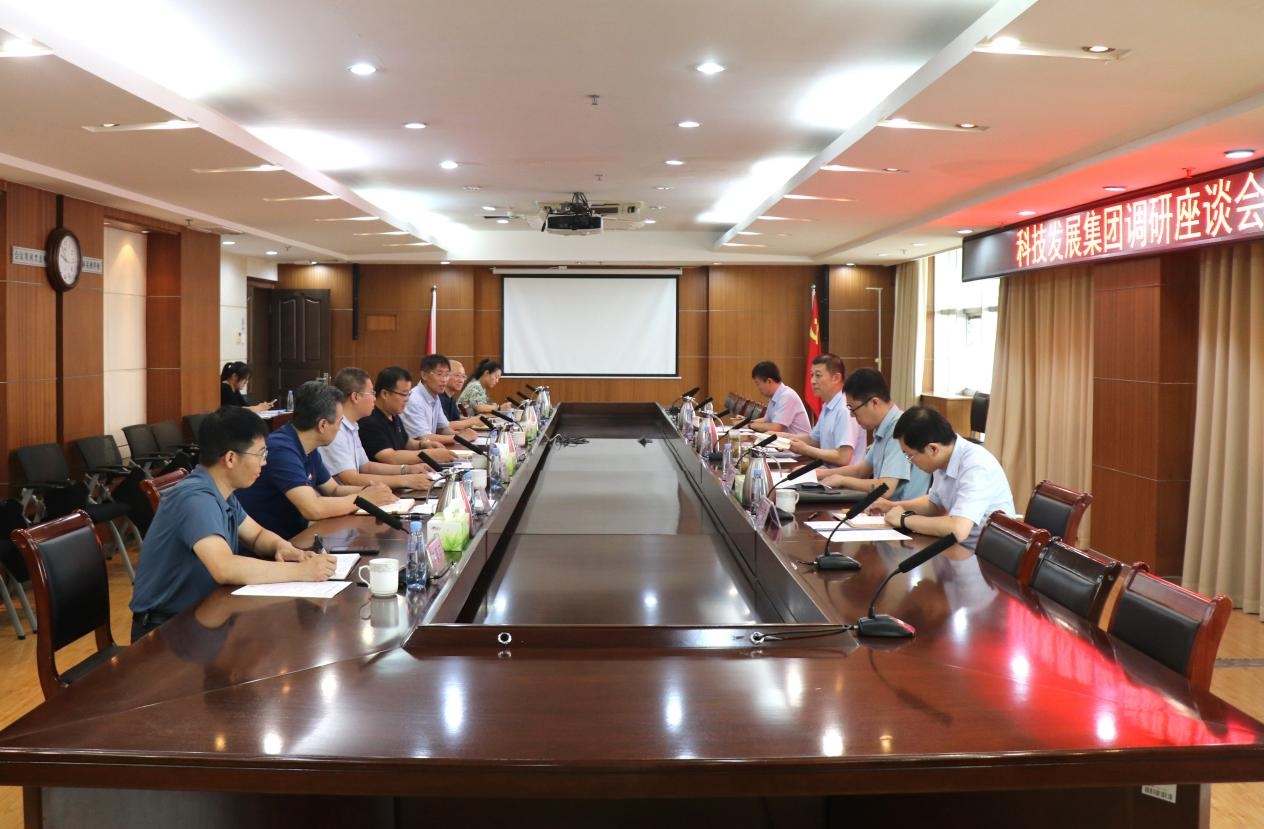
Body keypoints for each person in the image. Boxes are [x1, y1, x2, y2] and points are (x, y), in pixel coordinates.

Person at [129, 406, 337, 641]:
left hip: (204, 615)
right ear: (230, 458)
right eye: (260, 454)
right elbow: (224, 567)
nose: (264, 463)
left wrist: (284, 548)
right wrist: (301, 572)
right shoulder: (196, 499)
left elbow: (257, 536)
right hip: (165, 631)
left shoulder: (221, 491)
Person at [236, 381, 395, 539]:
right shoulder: (281, 449)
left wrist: (369, 491)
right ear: (323, 425)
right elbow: (312, 509)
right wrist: (363, 499)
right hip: (268, 544)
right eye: (340, 422)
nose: (340, 428)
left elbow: (333, 490)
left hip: (293, 537)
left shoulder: (308, 446)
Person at [868, 405, 1015, 551]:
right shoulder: (942, 459)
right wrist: (891, 506)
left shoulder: (976, 466)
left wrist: (904, 519)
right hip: (959, 549)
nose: (910, 462)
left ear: (933, 449)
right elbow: (935, 505)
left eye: (910, 456)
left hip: (984, 556)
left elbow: (958, 530)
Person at [818, 368, 930, 499]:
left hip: (902, 509)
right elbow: (860, 470)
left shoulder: (899, 429)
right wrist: (820, 474)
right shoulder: (883, 427)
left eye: (853, 409)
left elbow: (886, 488)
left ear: (874, 403)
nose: (852, 415)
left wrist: (843, 481)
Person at [318, 367, 435, 491]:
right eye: (371, 393)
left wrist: (407, 469)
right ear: (355, 397)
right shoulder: (336, 429)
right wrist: (404, 480)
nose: (374, 398)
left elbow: (366, 466)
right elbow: (350, 479)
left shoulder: (353, 425)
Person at [360, 366, 455, 465]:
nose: (407, 399)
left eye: (408, 394)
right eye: (404, 394)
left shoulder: (393, 414)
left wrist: (423, 444)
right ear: (385, 394)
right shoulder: (369, 420)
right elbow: (390, 457)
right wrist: (430, 455)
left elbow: (405, 442)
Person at [786, 354, 866, 468]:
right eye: (811, 375)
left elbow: (843, 457)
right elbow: (813, 440)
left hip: (844, 477)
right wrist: (778, 438)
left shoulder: (844, 409)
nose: (812, 381)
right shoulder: (828, 405)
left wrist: (805, 449)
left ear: (836, 378)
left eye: (818, 375)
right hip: (827, 471)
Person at [401, 353, 476, 449]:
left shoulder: (435, 396)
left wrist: (460, 434)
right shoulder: (414, 400)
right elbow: (424, 437)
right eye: (439, 374)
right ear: (424, 375)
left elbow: (443, 428)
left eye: (447, 375)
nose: (444, 380)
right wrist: (460, 438)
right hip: (412, 453)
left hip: (429, 450)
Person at [747, 361, 811, 434]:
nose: (757, 388)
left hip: (798, 440)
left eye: (758, 384)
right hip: (785, 440)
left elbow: (776, 428)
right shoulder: (774, 396)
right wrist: (746, 422)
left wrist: (750, 425)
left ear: (769, 381)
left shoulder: (787, 396)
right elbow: (767, 420)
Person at [440, 359, 485, 430]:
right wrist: (472, 421)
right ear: (446, 375)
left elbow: (456, 419)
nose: (461, 380)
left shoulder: (451, 397)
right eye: (457, 375)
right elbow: (444, 426)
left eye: (463, 376)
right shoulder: (438, 397)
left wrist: (474, 419)